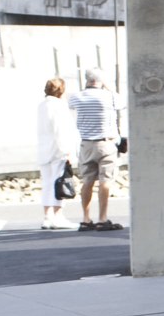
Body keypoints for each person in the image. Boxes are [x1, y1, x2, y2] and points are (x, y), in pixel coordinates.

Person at [70, 70, 123, 232]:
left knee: (87, 181)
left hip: (86, 144)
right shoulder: (110, 97)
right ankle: (102, 218)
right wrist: (108, 86)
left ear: (86, 80)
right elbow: (122, 104)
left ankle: (86, 219)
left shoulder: (76, 97)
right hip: (105, 143)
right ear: (101, 81)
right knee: (105, 181)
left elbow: (70, 108)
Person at [34, 77, 76, 232]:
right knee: (59, 182)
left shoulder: (42, 106)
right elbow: (61, 131)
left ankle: (47, 217)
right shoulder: (59, 106)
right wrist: (67, 152)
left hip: (43, 149)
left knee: (46, 183)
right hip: (58, 150)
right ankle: (58, 216)